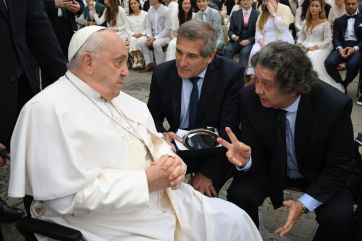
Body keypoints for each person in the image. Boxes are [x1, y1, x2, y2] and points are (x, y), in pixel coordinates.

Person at [8, 25, 262, 241]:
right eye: (119, 62)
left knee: (236, 220)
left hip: (164, 199)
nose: (127, 71)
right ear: (88, 62)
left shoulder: (124, 101)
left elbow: (154, 140)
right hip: (107, 220)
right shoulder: (46, 110)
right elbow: (63, 199)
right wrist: (145, 182)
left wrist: (171, 162)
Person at [217, 41, 356, 241]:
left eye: (267, 84)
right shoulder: (249, 98)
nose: (257, 90)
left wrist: (303, 203)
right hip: (271, 167)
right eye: (256, 79)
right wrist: (246, 161)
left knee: (339, 217)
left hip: (321, 173)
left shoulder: (333, 106)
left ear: (295, 87)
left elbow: (339, 166)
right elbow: (255, 151)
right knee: (239, 194)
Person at [148, 20, 243, 197]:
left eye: (191, 56)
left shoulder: (231, 74)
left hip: (215, 151)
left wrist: (208, 173)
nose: (181, 62)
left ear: (210, 56)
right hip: (176, 145)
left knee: (202, 197)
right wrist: (162, 135)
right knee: (157, 191)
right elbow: (151, 116)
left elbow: (229, 128)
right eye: (179, 52)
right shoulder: (162, 73)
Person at [1, 0, 67, 239]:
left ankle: (37, 221)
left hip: (22, 87)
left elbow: (39, 29)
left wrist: (69, 86)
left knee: (32, 158)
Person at [296, 0, 345, 93]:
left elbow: (328, 40)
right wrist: (299, 44)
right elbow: (301, 37)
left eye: (316, 6)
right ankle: (300, 84)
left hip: (320, 47)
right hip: (305, 44)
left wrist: (316, 46)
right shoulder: (305, 22)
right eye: (312, 6)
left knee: (311, 56)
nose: (314, 8)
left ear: (320, 8)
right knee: (295, 54)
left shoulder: (325, 23)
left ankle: (313, 85)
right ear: (309, 7)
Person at [324, 0, 362, 101]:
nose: (350, 6)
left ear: (357, 4)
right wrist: (339, 49)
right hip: (342, 47)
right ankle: (340, 84)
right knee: (329, 62)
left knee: (353, 64)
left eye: (353, 4)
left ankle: (345, 83)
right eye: (348, 4)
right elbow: (335, 38)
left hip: (357, 48)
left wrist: (355, 48)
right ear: (345, 4)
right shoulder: (338, 20)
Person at [245, 0, 294, 77]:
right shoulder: (263, 11)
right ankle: (255, 76)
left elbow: (283, 28)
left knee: (276, 54)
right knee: (255, 50)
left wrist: (273, 14)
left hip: (280, 39)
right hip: (264, 40)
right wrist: (261, 42)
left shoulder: (285, 8)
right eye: (265, 0)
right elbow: (258, 30)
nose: (267, 2)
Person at [224, 0, 259, 69]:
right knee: (228, 49)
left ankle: (241, 75)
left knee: (244, 53)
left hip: (249, 42)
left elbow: (259, 33)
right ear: (240, 2)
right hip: (236, 41)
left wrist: (249, 41)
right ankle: (227, 72)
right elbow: (230, 31)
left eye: (248, 0)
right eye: (243, 0)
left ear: (252, 1)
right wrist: (233, 36)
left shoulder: (257, 14)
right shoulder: (235, 14)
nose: (246, 1)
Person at [139, 0, 172, 72]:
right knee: (141, 41)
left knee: (156, 43)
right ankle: (149, 64)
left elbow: (167, 29)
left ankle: (160, 67)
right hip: (153, 35)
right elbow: (148, 27)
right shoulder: (150, 10)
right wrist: (149, 36)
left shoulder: (166, 10)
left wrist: (154, 38)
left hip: (164, 37)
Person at [127, 0, 148, 69]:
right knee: (133, 40)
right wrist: (133, 34)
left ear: (139, 4)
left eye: (135, 3)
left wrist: (142, 34)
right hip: (133, 35)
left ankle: (141, 59)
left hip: (143, 35)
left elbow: (148, 27)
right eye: (131, 4)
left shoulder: (145, 14)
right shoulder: (128, 17)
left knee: (140, 40)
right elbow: (127, 29)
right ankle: (136, 59)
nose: (133, 5)